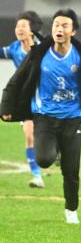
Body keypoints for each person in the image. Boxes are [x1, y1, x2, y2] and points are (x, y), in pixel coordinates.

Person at [1, 9, 81, 223]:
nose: (59, 29)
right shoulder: (39, 54)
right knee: (44, 160)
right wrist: (6, 108)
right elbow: (16, 80)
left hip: (73, 119)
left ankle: (71, 210)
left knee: (71, 171)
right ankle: (55, 153)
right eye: (56, 25)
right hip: (44, 117)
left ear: (73, 31)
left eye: (64, 25)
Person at [1, 11, 45, 187]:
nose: (19, 29)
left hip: (45, 97)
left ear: (32, 29)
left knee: (49, 134)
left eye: (23, 26)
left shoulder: (43, 47)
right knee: (29, 136)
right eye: (17, 26)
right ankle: (37, 176)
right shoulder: (13, 48)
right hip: (25, 99)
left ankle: (57, 149)